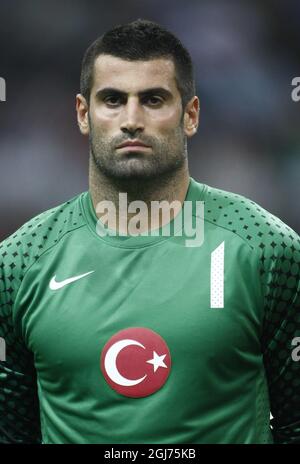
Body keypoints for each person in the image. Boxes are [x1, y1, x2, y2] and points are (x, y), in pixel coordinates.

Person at [0, 18, 299, 445]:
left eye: (154, 99)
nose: (132, 119)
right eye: (113, 100)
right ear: (84, 115)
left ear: (190, 114)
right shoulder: (18, 263)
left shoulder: (267, 248)